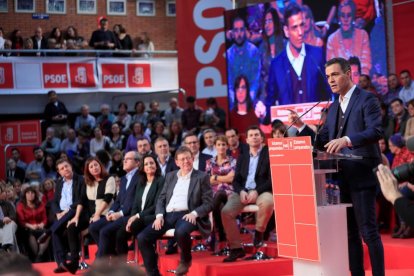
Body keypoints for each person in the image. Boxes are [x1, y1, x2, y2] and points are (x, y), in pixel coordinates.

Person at [316, 57, 384, 276]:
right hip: (342, 175)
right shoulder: (334, 106)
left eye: (335, 75)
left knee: (368, 232)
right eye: (328, 77)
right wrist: (300, 129)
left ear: (349, 74)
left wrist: (346, 140)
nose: (331, 80)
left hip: (363, 173)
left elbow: (375, 131)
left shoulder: (367, 99)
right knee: (350, 234)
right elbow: (324, 138)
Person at [138, 146, 213, 276]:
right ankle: (153, 273)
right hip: (167, 216)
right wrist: (159, 216)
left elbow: (209, 203)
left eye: (188, 158)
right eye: (182, 159)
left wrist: (194, 213)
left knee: (181, 232)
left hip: (187, 214)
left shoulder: (202, 177)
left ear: (193, 158)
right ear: (177, 162)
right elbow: (161, 199)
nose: (186, 162)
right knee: (142, 237)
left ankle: (185, 260)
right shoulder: (170, 176)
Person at [255, 3, 330, 124]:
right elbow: (270, 104)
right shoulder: (276, 65)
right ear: (286, 30)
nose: (300, 32)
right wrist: (263, 112)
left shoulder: (318, 55)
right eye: (295, 27)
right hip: (291, 136)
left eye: (302, 25)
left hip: (317, 133)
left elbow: (329, 93)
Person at [221, 125, 274, 262]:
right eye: (251, 135)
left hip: (262, 190)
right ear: (247, 140)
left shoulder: (269, 153)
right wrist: (241, 191)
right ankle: (236, 248)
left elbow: (272, 179)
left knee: (268, 202)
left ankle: (259, 232)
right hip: (243, 191)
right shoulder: (242, 157)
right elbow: (236, 180)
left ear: (262, 138)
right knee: (226, 211)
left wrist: (257, 191)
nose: (254, 137)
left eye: (257, 135)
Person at [66, 157, 116, 274]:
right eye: (91, 167)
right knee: (72, 227)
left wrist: (97, 214)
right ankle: (75, 262)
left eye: (96, 165)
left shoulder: (109, 179)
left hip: (106, 213)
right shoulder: (87, 182)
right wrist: (76, 217)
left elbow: (108, 198)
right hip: (92, 216)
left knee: (94, 226)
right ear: (88, 170)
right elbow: (82, 201)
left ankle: (102, 259)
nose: (94, 168)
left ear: (100, 166)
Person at [89, 151, 139, 258]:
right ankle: (111, 253)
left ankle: (100, 265)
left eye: (128, 159)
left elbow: (135, 201)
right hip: (118, 213)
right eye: (124, 158)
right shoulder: (124, 178)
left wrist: (120, 213)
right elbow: (118, 200)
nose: (124, 160)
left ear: (137, 163)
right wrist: (111, 211)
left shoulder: (140, 177)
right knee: (93, 227)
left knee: (104, 231)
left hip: (130, 215)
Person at [38, 159, 85, 273]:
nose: (65, 169)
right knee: (56, 231)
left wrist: (66, 211)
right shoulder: (59, 182)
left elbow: (81, 199)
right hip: (61, 215)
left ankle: (48, 232)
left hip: (77, 212)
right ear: (59, 172)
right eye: (62, 168)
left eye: (66, 166)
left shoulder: (80, 179)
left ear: (71, 166)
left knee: (55, 230)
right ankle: (61, 263)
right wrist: (58, 212)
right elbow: (54, 201)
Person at [116, 154, 165, 257]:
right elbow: (135, 205)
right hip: (139, 217)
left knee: (134, 226)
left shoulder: (161, 180)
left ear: (156, 165)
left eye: (152, 163)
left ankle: (150, 252)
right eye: (146, 164)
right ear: (143, 168)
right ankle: (122, 266)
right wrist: (131, 217)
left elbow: (156, 206)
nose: (149, 166)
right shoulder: (141, 182)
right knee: (120, 234)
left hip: (153, 216)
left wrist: (137, 216)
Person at [205, 136, 236, 254]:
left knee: (219, 195)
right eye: (219, 144)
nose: (221, 147)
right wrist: (225, 178)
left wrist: (216, 177)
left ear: (227, 146)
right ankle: (223, 236)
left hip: (229, 192)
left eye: (224, 144)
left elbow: (232, 178)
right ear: (215, 147)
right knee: (220, 206)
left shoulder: (233, 161)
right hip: (213, 193)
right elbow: (208, 180)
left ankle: (216, 236)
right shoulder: (210, 162)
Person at [326, 0, 372, 75]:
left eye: (349, 15)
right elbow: (332, 69)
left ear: (353, 17)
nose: (346, 19)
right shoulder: (331, 39)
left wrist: (358, 82)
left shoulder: (363, 35)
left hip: (360, 82)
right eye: (343, 15)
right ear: (339, 18)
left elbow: (366, 66)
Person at [226, 16, 261, 110]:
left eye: (241, 30)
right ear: (232, 33)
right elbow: (229, 84)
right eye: (236, 30)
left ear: (245, 31)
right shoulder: (228, 55)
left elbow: (255, 81)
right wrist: (236, 103)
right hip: (234, 104)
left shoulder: (253, 51)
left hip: (251, 103)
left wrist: (248, 102)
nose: (239, 34)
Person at [16, 186, 49, 262]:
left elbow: (45, 218)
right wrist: (31, 226)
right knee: (31, 234)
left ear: (35, 195)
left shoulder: (40, 204)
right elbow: (21, 221)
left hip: (40, 227)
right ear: (25, 195)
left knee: (47, 233)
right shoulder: (20, 205)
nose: (30, 194)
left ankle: (40, 254)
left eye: (32, 193)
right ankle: (36, 255)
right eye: (28, 193)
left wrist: (42, 224)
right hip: (27, 228)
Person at [0, 185, 19, 253]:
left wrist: (8, 218)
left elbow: (14, 216)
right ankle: (14, 256)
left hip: (9, 224)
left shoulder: (7, 204)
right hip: (2, 227)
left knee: (11, 224)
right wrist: (3, 221)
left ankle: (5, 246)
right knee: (11, 235)